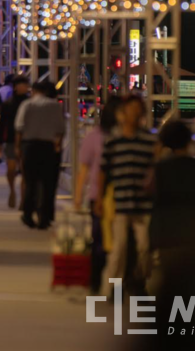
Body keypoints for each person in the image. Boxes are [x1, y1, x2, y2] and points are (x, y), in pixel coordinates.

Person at [147, 120, 195, 292]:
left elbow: (148, 189)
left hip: (167, 231)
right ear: (189, 141)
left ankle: (174, 312)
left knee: (171, 277)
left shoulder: (160, 168)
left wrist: (156, 157)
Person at [95, 95, 156, 296]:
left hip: (143, 203)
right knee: (118, 250)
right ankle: (110, 289)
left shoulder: (149, 140)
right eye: (131, 110)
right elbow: (103, 171)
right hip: (120, 202)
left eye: (138, 110)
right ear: (123, 113)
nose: (134, 114)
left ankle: (139, 279)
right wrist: (99, 198)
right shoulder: (113, 140)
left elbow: (154, 169)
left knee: (145, 247)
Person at [74, 97, 121, 292]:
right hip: (99, 196)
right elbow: (84, 169)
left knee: (121, 245)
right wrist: (78, 196)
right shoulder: (95, 136)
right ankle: (95, 280)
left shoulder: (130, 137)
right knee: (100, 241)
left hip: (125, 197)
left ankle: (116, 286)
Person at [15, 81, 65, 229]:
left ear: (35, 91)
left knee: (30, 181)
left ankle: (28, 214)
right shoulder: (55, 106)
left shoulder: (27, 105)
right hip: (48, 147)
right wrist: (57, 146)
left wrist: (18, 147)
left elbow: (19, 127)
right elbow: (60, 130)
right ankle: (45, 217)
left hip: (29, 146)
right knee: (48, 183)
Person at [0, 76, 29, 208]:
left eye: (25, 85)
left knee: (24, 170)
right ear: (15, 87)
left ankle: (23, 198)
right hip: (10, 139)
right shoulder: (8, 104)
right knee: (11, 169)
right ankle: (12, 191)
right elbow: (1, 123)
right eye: (21, 85)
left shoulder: (29, 103)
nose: (24, 87)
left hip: (27, 139)